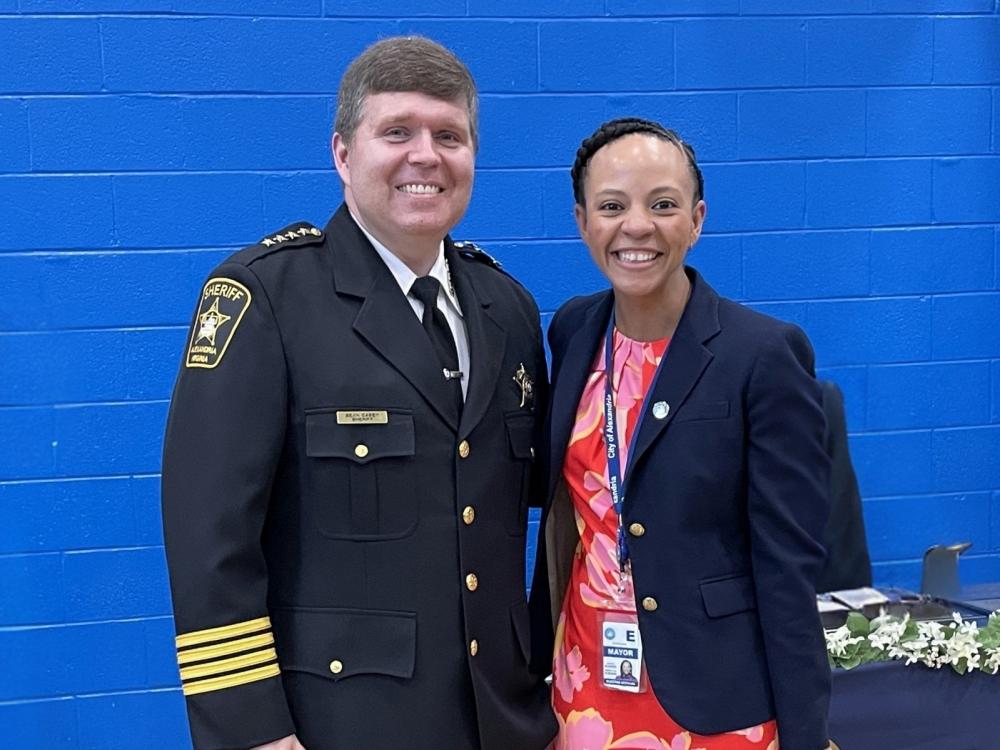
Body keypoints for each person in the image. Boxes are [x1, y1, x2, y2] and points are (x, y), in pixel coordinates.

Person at [161, 36, 554, 750]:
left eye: (450, 136)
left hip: (503, 723)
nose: (426, 155)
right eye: (396, 132)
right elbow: (209, 542)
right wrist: (253, 732)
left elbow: (541, 515)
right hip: (339, 726)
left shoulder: (509, 309)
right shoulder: (266, 299)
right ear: (343, 154)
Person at [528, 118, 836, 750]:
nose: (636, 226)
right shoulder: (573, 330)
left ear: (696, 219)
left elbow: (786, 567)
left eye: (662, 205)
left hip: (715, 701)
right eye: (612, 206)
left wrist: (806, 733)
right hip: (582, 684)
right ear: (583, 222)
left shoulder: (763, 354)